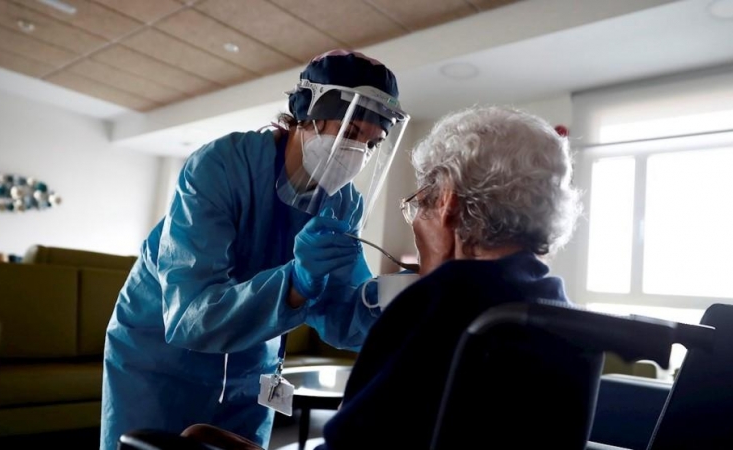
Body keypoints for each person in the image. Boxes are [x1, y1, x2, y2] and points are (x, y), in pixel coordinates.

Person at [100, 49, 410, 450]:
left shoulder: (344, 203)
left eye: (372, 144)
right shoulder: (221, 166)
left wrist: (397, 300)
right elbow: (190, 316)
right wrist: (295, 283)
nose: (358, 155)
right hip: (159, 362)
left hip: (253, 365)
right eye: (350, 133)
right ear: (306, 112)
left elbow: (337, 313)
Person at [316, 104, 583, 449]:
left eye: (422, 202)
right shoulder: (559, 309)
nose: (417, 217)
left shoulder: (434, 307)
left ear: (447, 203)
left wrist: (439, 281)